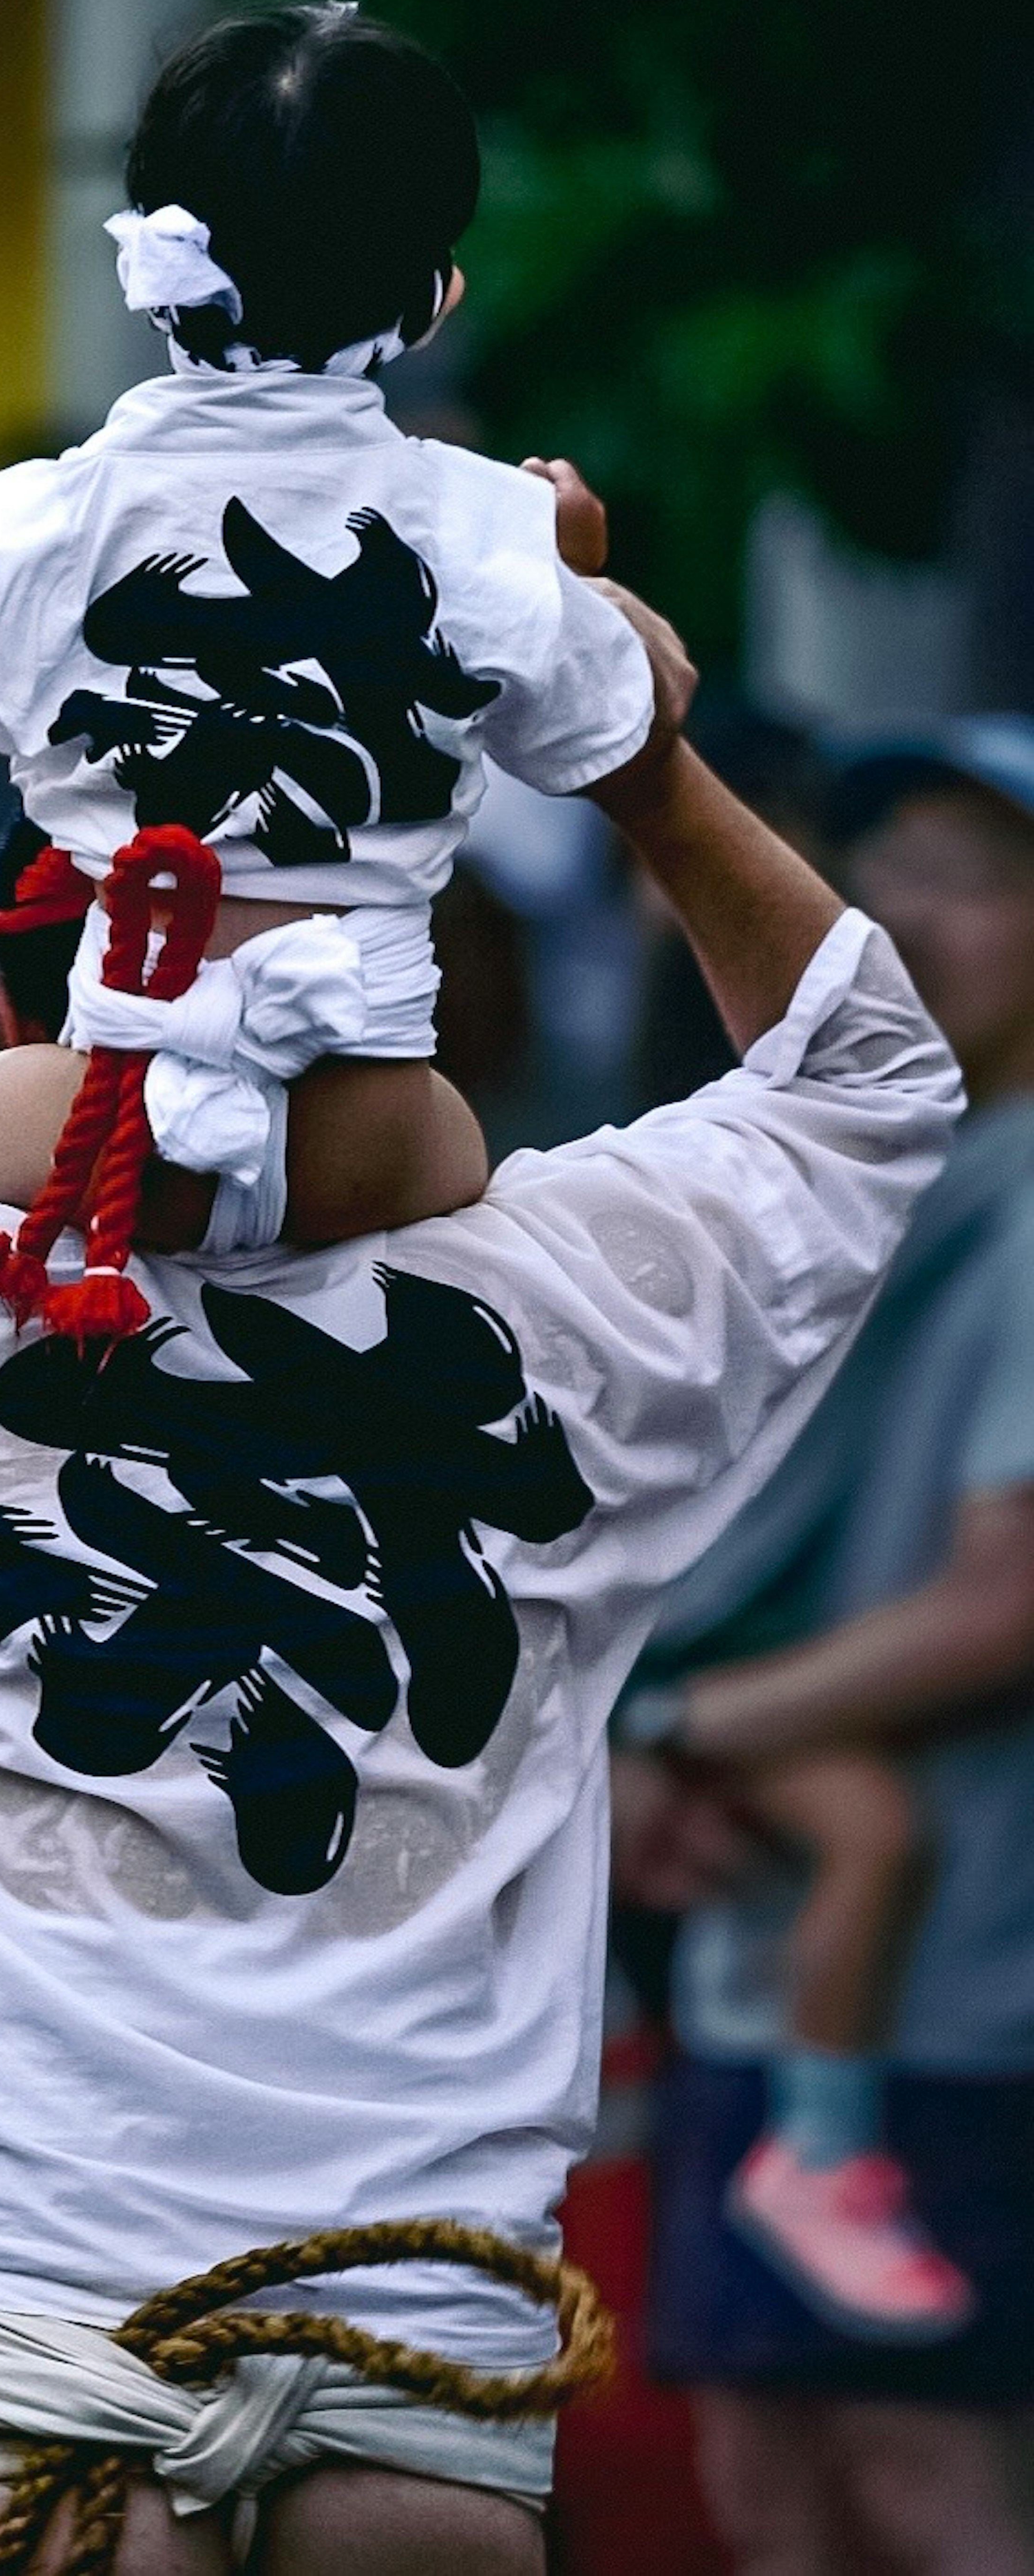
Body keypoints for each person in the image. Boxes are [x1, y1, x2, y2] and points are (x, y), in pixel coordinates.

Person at [0, 497, 958, 2576]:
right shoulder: (583, 1325)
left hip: (21, 2365)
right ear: (418, 1020)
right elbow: (868, 1071)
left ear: (18, 1007)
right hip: (409, 2369)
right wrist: (634, 756)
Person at [0, 5, 657, 1324]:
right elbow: (605, 736)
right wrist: (576, 578)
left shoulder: (36, 514)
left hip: (98, 1112)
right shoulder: (490, 524)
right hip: (381, 1123)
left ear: (146, 270)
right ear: (436, 297)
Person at [615, 723, 1034, 2576]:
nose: (916, 914)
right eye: (892, 865)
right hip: (765, 1971)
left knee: (924, 2479)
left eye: (978, 871)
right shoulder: (852, 1177)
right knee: (772, 2482)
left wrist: (681, 1724)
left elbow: (1008, 1596)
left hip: (968, 1993)